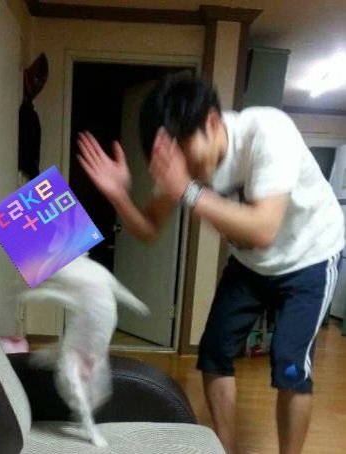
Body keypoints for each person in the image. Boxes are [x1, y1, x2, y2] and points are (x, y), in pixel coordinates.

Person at [76, 75, 345, 454]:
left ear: (213, 122)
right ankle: (225, 448)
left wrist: (186, 189)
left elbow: (263, 229)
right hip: (251, 265)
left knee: (290, 368)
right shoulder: (178, 162)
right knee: (214, 353)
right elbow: (149, 228)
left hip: (310, 257)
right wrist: (119, 195)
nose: (183, 167)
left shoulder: (267, 132)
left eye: (187, 154)